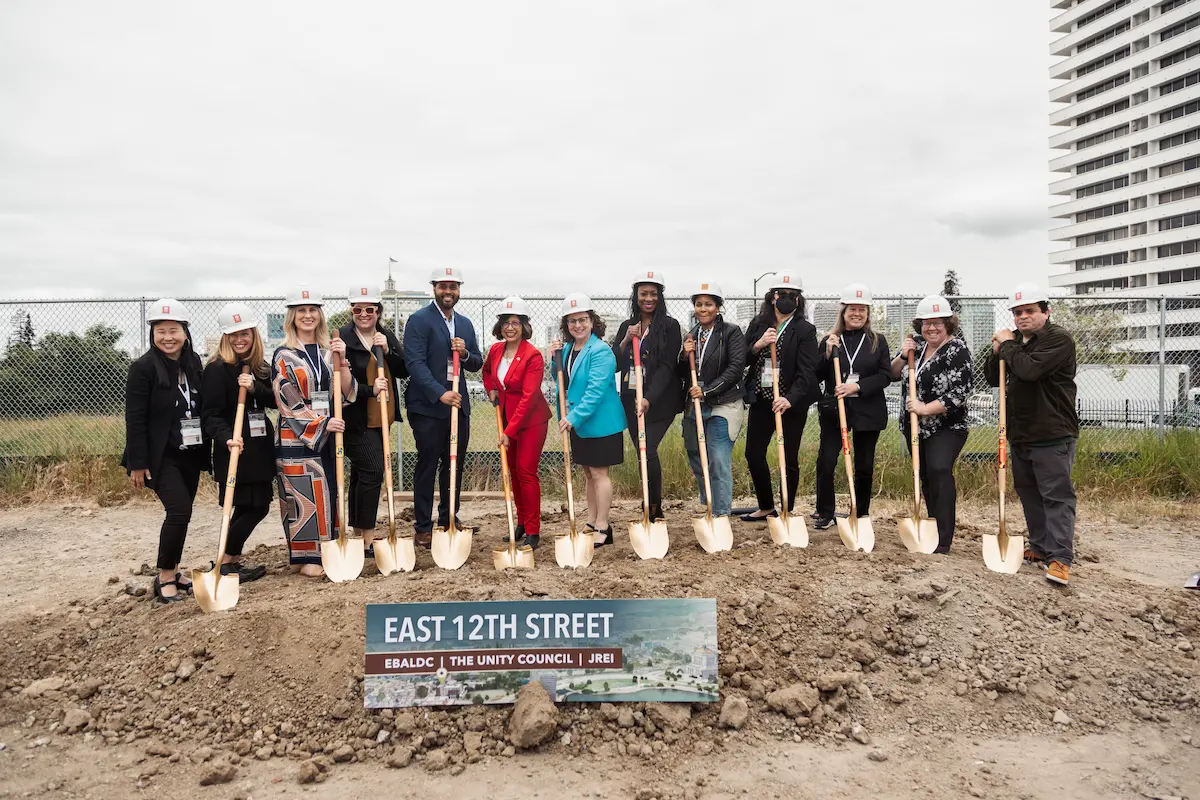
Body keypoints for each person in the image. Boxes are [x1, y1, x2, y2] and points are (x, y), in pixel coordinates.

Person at [985, 282, 1078, 586]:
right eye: (1017, 312)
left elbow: (1029, 371)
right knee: (1029, 493)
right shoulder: (1019, 344)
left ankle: (1061, 559)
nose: (1023, 317)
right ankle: (1040, 547)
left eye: (1029, 311)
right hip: (1021, 433)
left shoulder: (1059, 339)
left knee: (1056, 496)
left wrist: (1009, 344)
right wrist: (996, 350)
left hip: (1052, 432)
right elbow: (992, 378)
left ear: (1046, 312)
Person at [122, 299, 209, 604]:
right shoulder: (143, 368)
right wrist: (137, 462)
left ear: (185, 333)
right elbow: (135, 417)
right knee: (179, 510)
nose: (167, 337)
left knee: (182, 514)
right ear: (153, 334)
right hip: (161, 456)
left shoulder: (193, 363)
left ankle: (174, 568)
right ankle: (165, 577)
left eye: (173, 330)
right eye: (161, 331)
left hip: (190, 452)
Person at [272, 287, 357, 577]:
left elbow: (347, 390)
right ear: (292, 317)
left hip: (329, 433)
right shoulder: (283, 354)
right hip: (298, 435)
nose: (307, 316)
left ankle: (329, 548)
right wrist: (321, 424)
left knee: (330, 489)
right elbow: (287, 399)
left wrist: (342, 359)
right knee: (303, 492)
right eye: (301, 311)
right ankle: (306, 557)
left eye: (312, 311)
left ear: (319, 315)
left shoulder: (328, 350)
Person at [403, 267, 484, 547]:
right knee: (428, 465)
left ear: (459, 290)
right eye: (443, 286)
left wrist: (465, 352)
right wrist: (440, 393)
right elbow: (414, 363)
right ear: (434, 288)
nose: (448, 292)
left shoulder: (465, 324)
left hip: (458, 407)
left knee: (454, 465)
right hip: (427, 407)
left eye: (453, 287)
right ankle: (423, 525)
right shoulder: (419, 321)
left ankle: (449, 516)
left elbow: (476, 361)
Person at [888, 295, 973, 554]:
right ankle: (933, 525)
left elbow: (960, 392)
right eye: (926, 323)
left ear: (948, 323)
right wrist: (903, 355)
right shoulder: (918, 346)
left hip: (947, 426)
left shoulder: (956, 349)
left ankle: (944, 538)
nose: (931, 328)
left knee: (939, 470)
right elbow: (891, 373)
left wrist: (925, 408)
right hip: (915, 427)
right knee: (924, 476)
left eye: (937, 323)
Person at [200, 303, 277, 581]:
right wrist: (227, 438)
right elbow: (209, 415)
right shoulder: (217, 370)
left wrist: (255, 387)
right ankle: (224, 561)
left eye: (244, 333)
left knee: (256, 505)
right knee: (250, 506)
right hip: (235, 448)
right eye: (233, 335)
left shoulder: (260, 367)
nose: (240, 339)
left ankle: (229, 561)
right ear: (225, 337)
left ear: (253, 334)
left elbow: (274, 400)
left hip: (259, 447)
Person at [740, 271, 819, 522]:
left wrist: (789, 399)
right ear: (772, 297)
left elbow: (808, 371)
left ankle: (787, 508)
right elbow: (743, 357)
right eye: (780, 294)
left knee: (789, 456)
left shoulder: (805, 330)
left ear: (798, 300)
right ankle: (766, 506)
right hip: (763, 399)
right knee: (753, 453)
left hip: (790, 403)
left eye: (791, 295)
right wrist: (758, 344)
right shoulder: (758, 324)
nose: (785, 298)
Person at [549, 292, 626, 547]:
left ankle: (604, 525)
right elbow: (561, 379)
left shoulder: (601, 351)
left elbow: (596, 391)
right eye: (572, 321)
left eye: (582, 320)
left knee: (599, 473)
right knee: (588, 474)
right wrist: (554, 358)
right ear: (566, 325)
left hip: (600, 422)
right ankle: (592, 520)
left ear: (592, 321)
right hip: (579, 424)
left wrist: (573, 417)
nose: (578, 325)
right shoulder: (569, 348)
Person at [814, 283, 891, 530]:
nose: (857, 313)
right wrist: (826, 354)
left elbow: (885, 375)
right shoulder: (830, 339)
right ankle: (825, 512)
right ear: (843, 311)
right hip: (836, 412)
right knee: (826, 461)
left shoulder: (877, 341)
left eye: (862, 309)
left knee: (864, 465)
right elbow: (815, 374)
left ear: (868, 313)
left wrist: (857, 387)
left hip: (868, 410)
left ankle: (860, 513)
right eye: (852, 309)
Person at [339, 286, 409, 552]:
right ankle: (367, 538)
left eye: (370, 309)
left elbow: (403, 370)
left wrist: (388, 351)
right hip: (354, 418)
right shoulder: (344, 338)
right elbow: (342, 383)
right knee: (373, 469)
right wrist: (370, 389)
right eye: (358, 309)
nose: (364, 314)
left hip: (381, 416)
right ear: (352, 311)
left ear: (378, 311)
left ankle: (357, 530)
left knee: (361, 473)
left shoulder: (385, 335)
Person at [612, 271, 684, 523]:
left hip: (659, 401)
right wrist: (625, 340)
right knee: (641, 451)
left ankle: (654, 507)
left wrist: (649, 398)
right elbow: (616, 363)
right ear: (636, 296)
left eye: (653, 294)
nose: (648, 298)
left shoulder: (670, 326)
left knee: (648, 449)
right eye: (644, 294)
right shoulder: (627, 326)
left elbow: (667, 367)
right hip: (631, 400)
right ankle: (648, 502)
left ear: (660, 297)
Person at [482, 297, 552, 549]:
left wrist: (509, 432)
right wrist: (491, 389)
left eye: (515, 322)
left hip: (531, 421)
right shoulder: (496, 350)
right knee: (512, 472)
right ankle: (521, 521)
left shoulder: (533, 355)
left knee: (526, 472)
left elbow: (529, 396)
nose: (509, 327)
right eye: (505, 323)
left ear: (524, 325)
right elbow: (487, 372)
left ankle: (533, 530)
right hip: (506, 417)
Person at [678, 282, 745, 520]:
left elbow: (736, 368)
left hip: (724, 404)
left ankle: (721, 513)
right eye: (699, 304)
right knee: (696, 455)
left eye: (708, 304)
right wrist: (684, 355)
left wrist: (707, 391)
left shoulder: (731, 332)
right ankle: (710, 501)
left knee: (717, 458)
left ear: (718, 307)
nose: (703, 308)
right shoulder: (691, 335)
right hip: (695, 406)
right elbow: (681, 371)